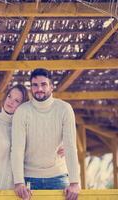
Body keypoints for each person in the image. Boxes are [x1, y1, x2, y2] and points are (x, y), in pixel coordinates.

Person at [11, 68, 80, 200]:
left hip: (58, 177)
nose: (39, 89)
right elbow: (17, 149)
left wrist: (74, 182)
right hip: (29, 179)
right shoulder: (22, 111)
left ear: (52, 87)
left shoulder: (64, 109)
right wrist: (19, 182)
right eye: (35, 85)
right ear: (31, 88)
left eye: (44, 84)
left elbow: (70, 147)